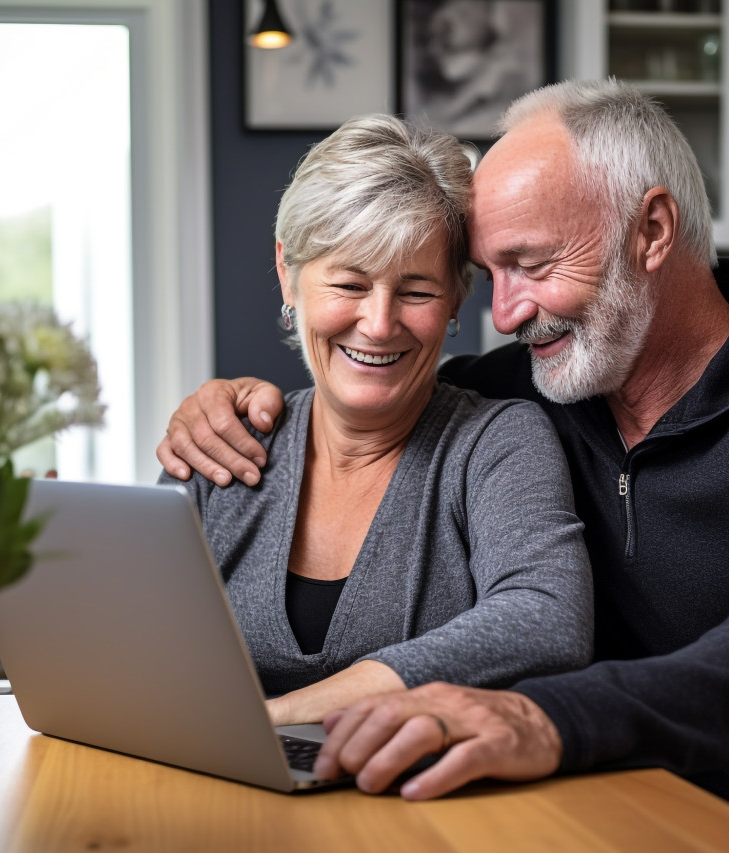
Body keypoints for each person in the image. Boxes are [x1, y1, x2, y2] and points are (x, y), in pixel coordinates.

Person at [157, 80, 729, 852]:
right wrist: (233, 402)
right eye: (486, 274)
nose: (503, 313)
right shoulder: (539, 380)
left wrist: (541, 717)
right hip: (673, 805)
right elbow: (379, 374)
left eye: (530, 265)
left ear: (653, 229)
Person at [158, 114, 593, 729]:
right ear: (288, 274)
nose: (380, 323)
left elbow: (546, 618)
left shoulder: (496, 444)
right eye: (349, 283)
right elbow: (134, 647)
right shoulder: (223, 442)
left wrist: (277, 719)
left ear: (455, 303)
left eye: (416, 291)